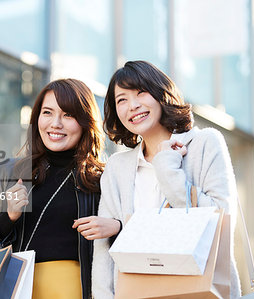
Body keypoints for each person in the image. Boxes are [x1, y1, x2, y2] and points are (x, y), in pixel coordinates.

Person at [89, 61, 241, 298]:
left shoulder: (205, 143)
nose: (133, 106)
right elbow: (104, 250)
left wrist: (167, 167)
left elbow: (220, 218)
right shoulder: (116, 168)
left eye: (141, 93)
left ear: (161, 93)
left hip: (197, 290)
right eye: (122, 100)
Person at [0, 78, 105, 299]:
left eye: (68, 115)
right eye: (47, 112)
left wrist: (116, 227)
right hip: (14, 289)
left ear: (85, 121)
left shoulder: (100, 180)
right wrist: (8, 218)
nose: (55, 124)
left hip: (73, 291)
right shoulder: (10, 172)